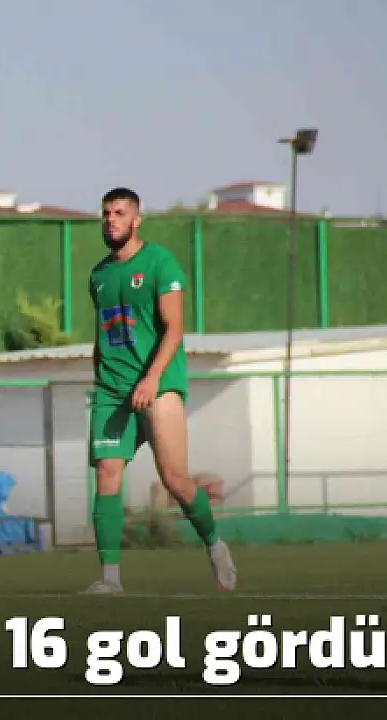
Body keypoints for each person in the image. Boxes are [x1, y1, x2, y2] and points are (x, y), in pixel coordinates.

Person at [85, 186, 236, 594]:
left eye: (119, 213)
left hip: (158, 384)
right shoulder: (99, 275)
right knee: (107, 473)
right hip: (111, 390)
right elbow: (103, 336)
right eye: (106, 213)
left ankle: (214, 543)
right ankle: (110, 579)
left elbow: (174, 328)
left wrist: (151, 378)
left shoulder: (159, 262)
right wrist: (100, 379)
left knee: (174, 479)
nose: (111, 220)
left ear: (136, 220)